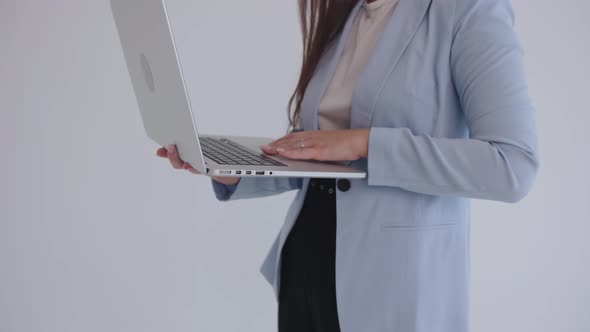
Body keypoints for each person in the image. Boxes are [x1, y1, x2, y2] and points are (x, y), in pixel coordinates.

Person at [157, 0, 539, 331]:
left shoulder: (468, 10)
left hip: (393, 289)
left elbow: (512, 166)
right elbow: (319, 151)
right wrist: (230, 170)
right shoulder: (348, 16)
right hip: (305, 268)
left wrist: (365, 141)